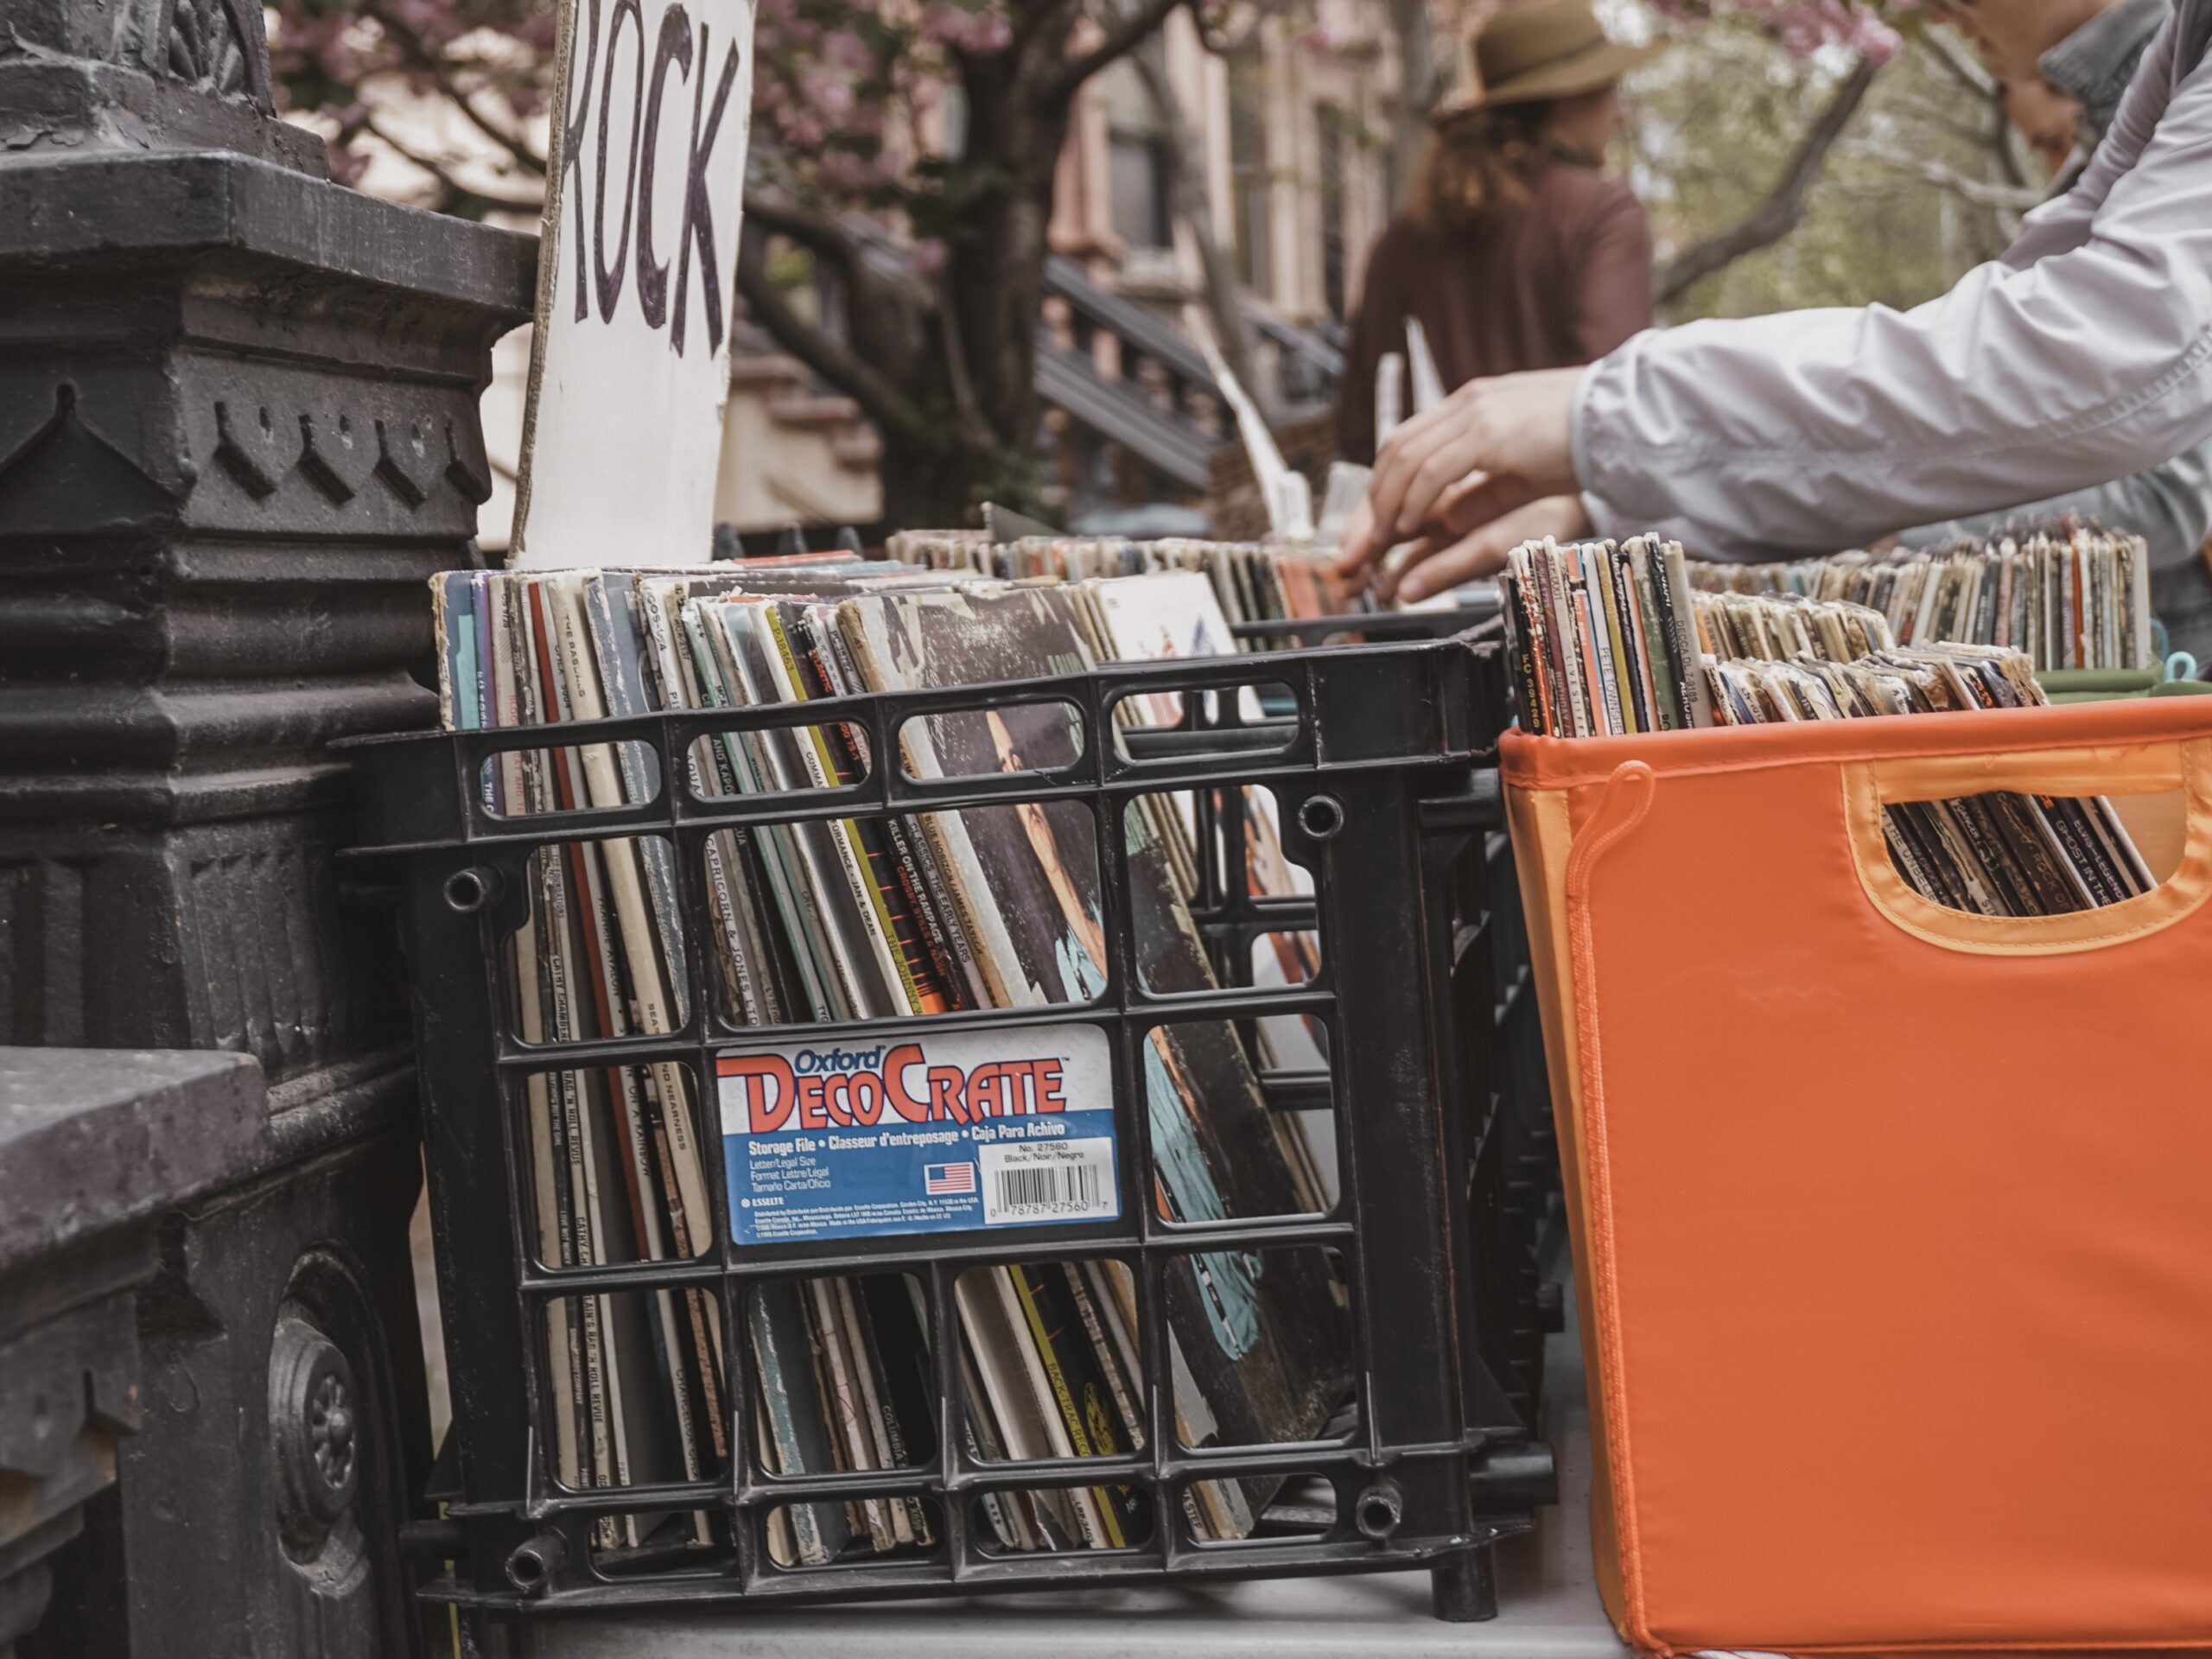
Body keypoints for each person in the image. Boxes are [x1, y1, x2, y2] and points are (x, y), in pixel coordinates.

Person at [1338, 0, 2212, 664]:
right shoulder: (2176, 53)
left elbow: (2108, 360)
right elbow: (2013, 364)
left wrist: (1610, 430)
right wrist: (1618, 479)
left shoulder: (1398, 240)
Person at [1332, 0, 1657, 464]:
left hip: (1422, 524)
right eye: (1610, 90)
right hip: (1556, 528)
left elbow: (1357, 425)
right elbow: (1612, 401)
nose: (1617, 112)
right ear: (1572, 97)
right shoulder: (1601, 214)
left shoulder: (1401, 240)